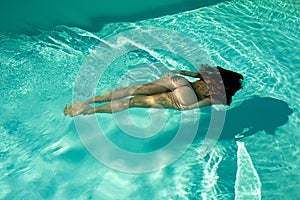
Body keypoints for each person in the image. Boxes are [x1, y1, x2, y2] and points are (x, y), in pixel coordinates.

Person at [64, 65, 244, 117]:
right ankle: (87, 106)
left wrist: (185, 107)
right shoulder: (208, 78)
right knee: (132, 94)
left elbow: (195, 105)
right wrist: (178, 73)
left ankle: (88, 108)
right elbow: (192, 74)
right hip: (179, 89)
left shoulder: (218, 96)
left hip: (181, 99)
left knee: (132, 97)